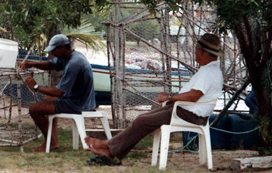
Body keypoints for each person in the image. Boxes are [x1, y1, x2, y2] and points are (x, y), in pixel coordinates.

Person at [85, 33, 224, 165]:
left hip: (188, 114)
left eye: (195, 50)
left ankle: (107, 146)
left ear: (201, 52)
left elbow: (193, 96)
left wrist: (170, 97)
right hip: (183, 110)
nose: (195, 53)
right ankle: (109, 151)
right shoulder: (210, 70)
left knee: (142, 120)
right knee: (143, 118)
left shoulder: (208, 72)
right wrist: (171, 101)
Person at [20, 34, 96, 152]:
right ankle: (52, 141)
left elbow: (59, 92)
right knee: (47, 99)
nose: (53, 54)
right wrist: (33, 63)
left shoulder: (74, 63)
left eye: (53, 51)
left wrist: (35, 87)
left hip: (78, 103)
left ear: (62, 48)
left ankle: (51, 141)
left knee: (34, 109)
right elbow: (51, 64)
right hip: (81, 99)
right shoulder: (70, 56)